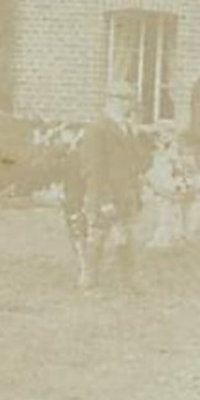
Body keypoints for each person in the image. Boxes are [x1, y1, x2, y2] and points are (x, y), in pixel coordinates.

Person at [79, 79, 152, 291]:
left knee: (125, 237)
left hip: (125, 194)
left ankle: (130, 282)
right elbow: (92, 168)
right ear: (112, 100)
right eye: (127, 99)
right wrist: (104, 199)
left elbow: (139, 163)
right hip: (105, 195)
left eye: (131, 99)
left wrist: (146, 143)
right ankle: (89, 284)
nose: (131, 104)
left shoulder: (127, 128)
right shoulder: (97, 129)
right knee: (97, 237)